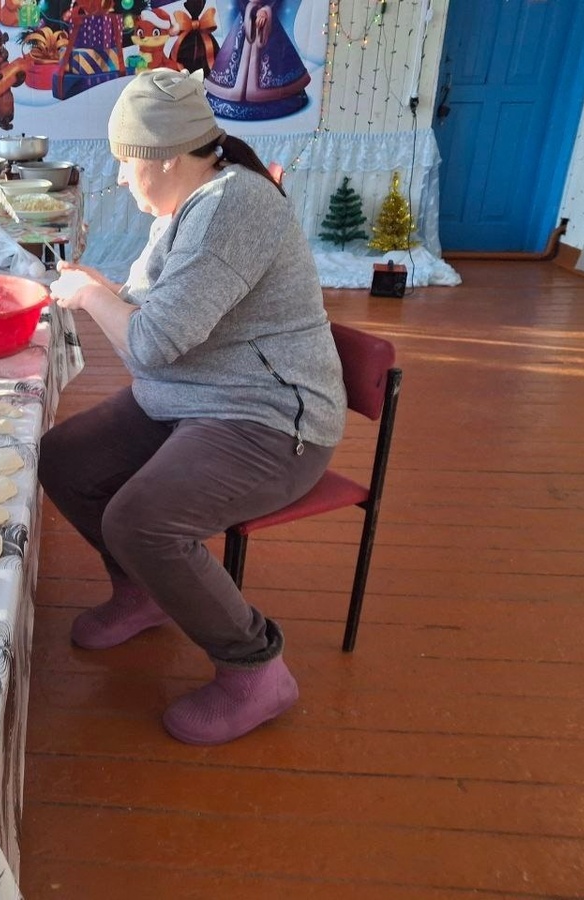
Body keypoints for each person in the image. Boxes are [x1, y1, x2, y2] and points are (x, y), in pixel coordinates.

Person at [40, 68, 345, 745]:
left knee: (144, 519)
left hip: (271, 418)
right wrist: (107, 287)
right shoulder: (191, 202)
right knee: (66, 460)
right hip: (195, 397)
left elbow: (153, 344)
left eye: (125, 162)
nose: (120, 178)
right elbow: (167, 308)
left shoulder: (236, 205)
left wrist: (94, 300)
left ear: (165, 159)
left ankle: (256, 671)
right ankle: (144, 593)